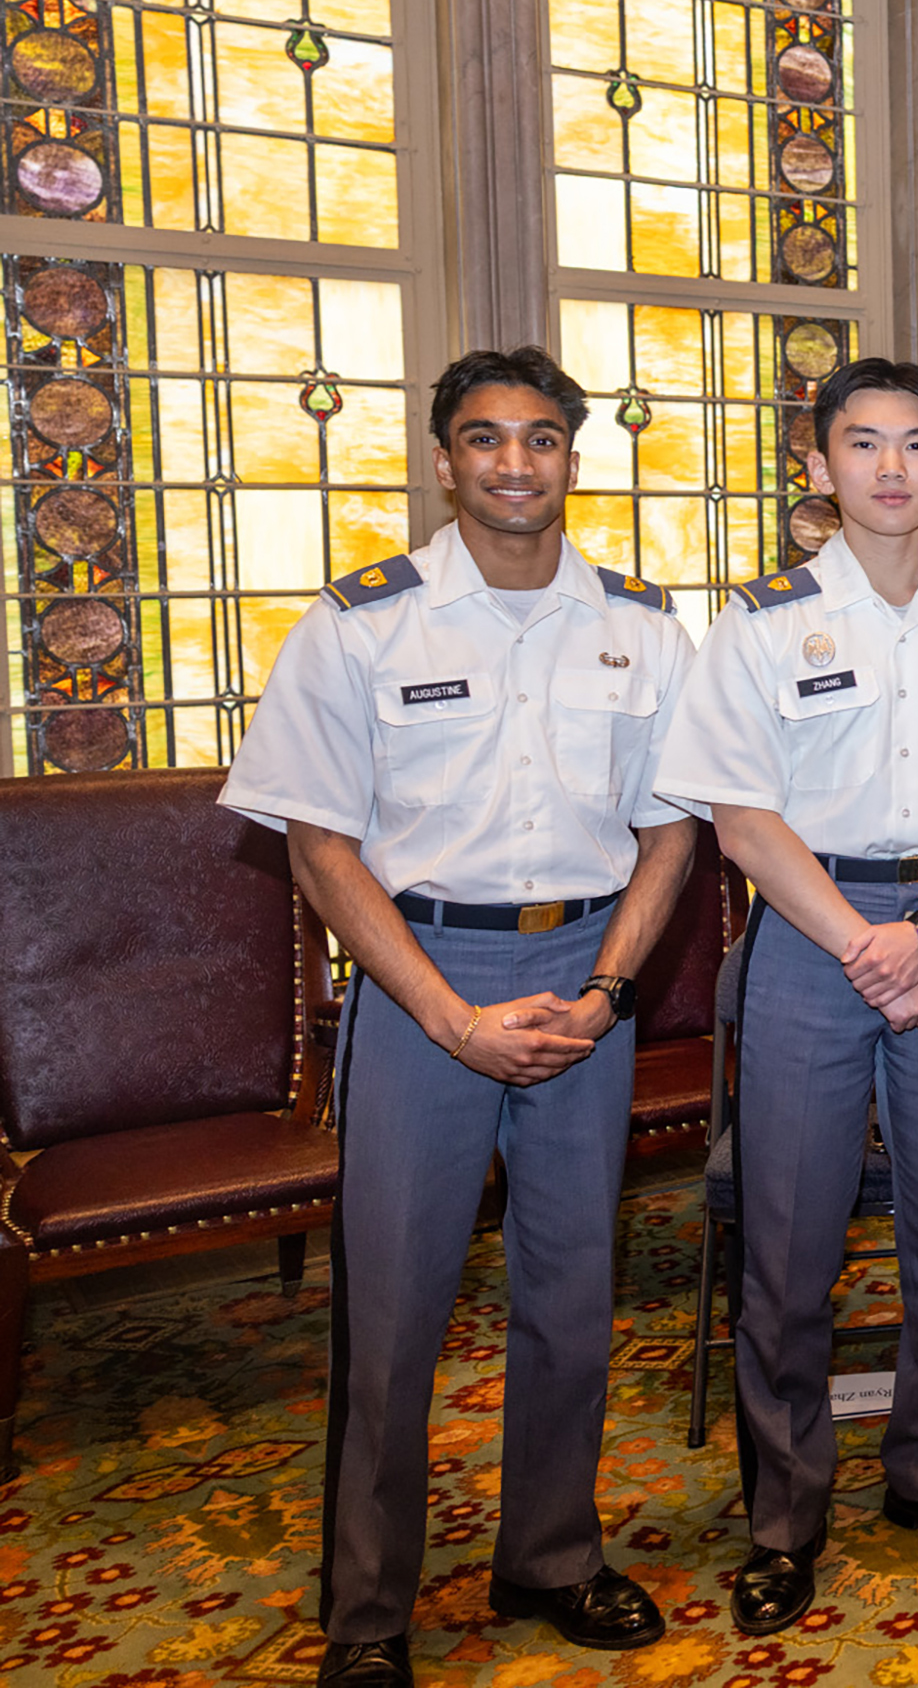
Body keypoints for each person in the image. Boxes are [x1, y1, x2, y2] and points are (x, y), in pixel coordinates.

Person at [222, 347, 696, 1688]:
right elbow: (322, 852)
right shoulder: (364, 622)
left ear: (571, 458)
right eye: (486, 439)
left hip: (583, 985)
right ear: (444, 459)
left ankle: (552, 1554)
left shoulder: (641, 625)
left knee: (571, 1296)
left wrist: (609, 993)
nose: (515, 464)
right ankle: (369, 1611)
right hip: (422, 980)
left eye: (542, 439)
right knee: (397, 1307)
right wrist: (444, 1014)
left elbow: (668, 837)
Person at [656, 358, 918, 1632]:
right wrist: (861, 945)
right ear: (820, 466)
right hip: (807, 945)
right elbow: (738, 816)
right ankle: (784, 1513)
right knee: (788, 1247)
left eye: (917, 444)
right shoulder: (761, 624)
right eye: (864, 444)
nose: (891, 467)